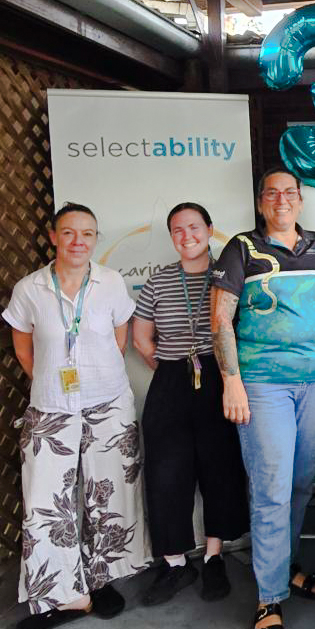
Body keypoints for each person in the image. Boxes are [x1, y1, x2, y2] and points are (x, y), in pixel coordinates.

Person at [211, 168, 315, 629]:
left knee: (300, 484)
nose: (281, 200)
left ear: (300, 201)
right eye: (272, 193)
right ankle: (269, 599)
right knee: (273, 488)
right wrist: (231, 380)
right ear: (261, 203)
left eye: (289, 193)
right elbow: (220, 318)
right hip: (262, 384)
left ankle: (284, 565)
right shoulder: (242, 249)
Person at [3, 203, 148, 629]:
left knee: (110, 492)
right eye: (68, 232)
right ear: (53, 237)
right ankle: (65, 596)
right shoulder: (29, 289)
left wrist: (92, 378)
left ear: (95, 239)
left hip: (109, 402)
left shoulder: (111, 282)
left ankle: (103, 579)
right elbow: (24, 348)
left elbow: (119, 340)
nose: (78, 241)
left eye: (87, 234)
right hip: (51, 406)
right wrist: (55, 381)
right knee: (46, 502)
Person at [132, 202, 249, 606]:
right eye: (178, 230)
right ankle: (175, 563)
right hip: (171, 382)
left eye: (194, 227)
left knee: (220, 469)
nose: (187, 236)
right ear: (171, 237)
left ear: (210, 230)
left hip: (220, 379)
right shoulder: (159, 281)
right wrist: (172, 367)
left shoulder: (229, 275)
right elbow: (141, 338)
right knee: (167, 472)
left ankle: (214, 556)